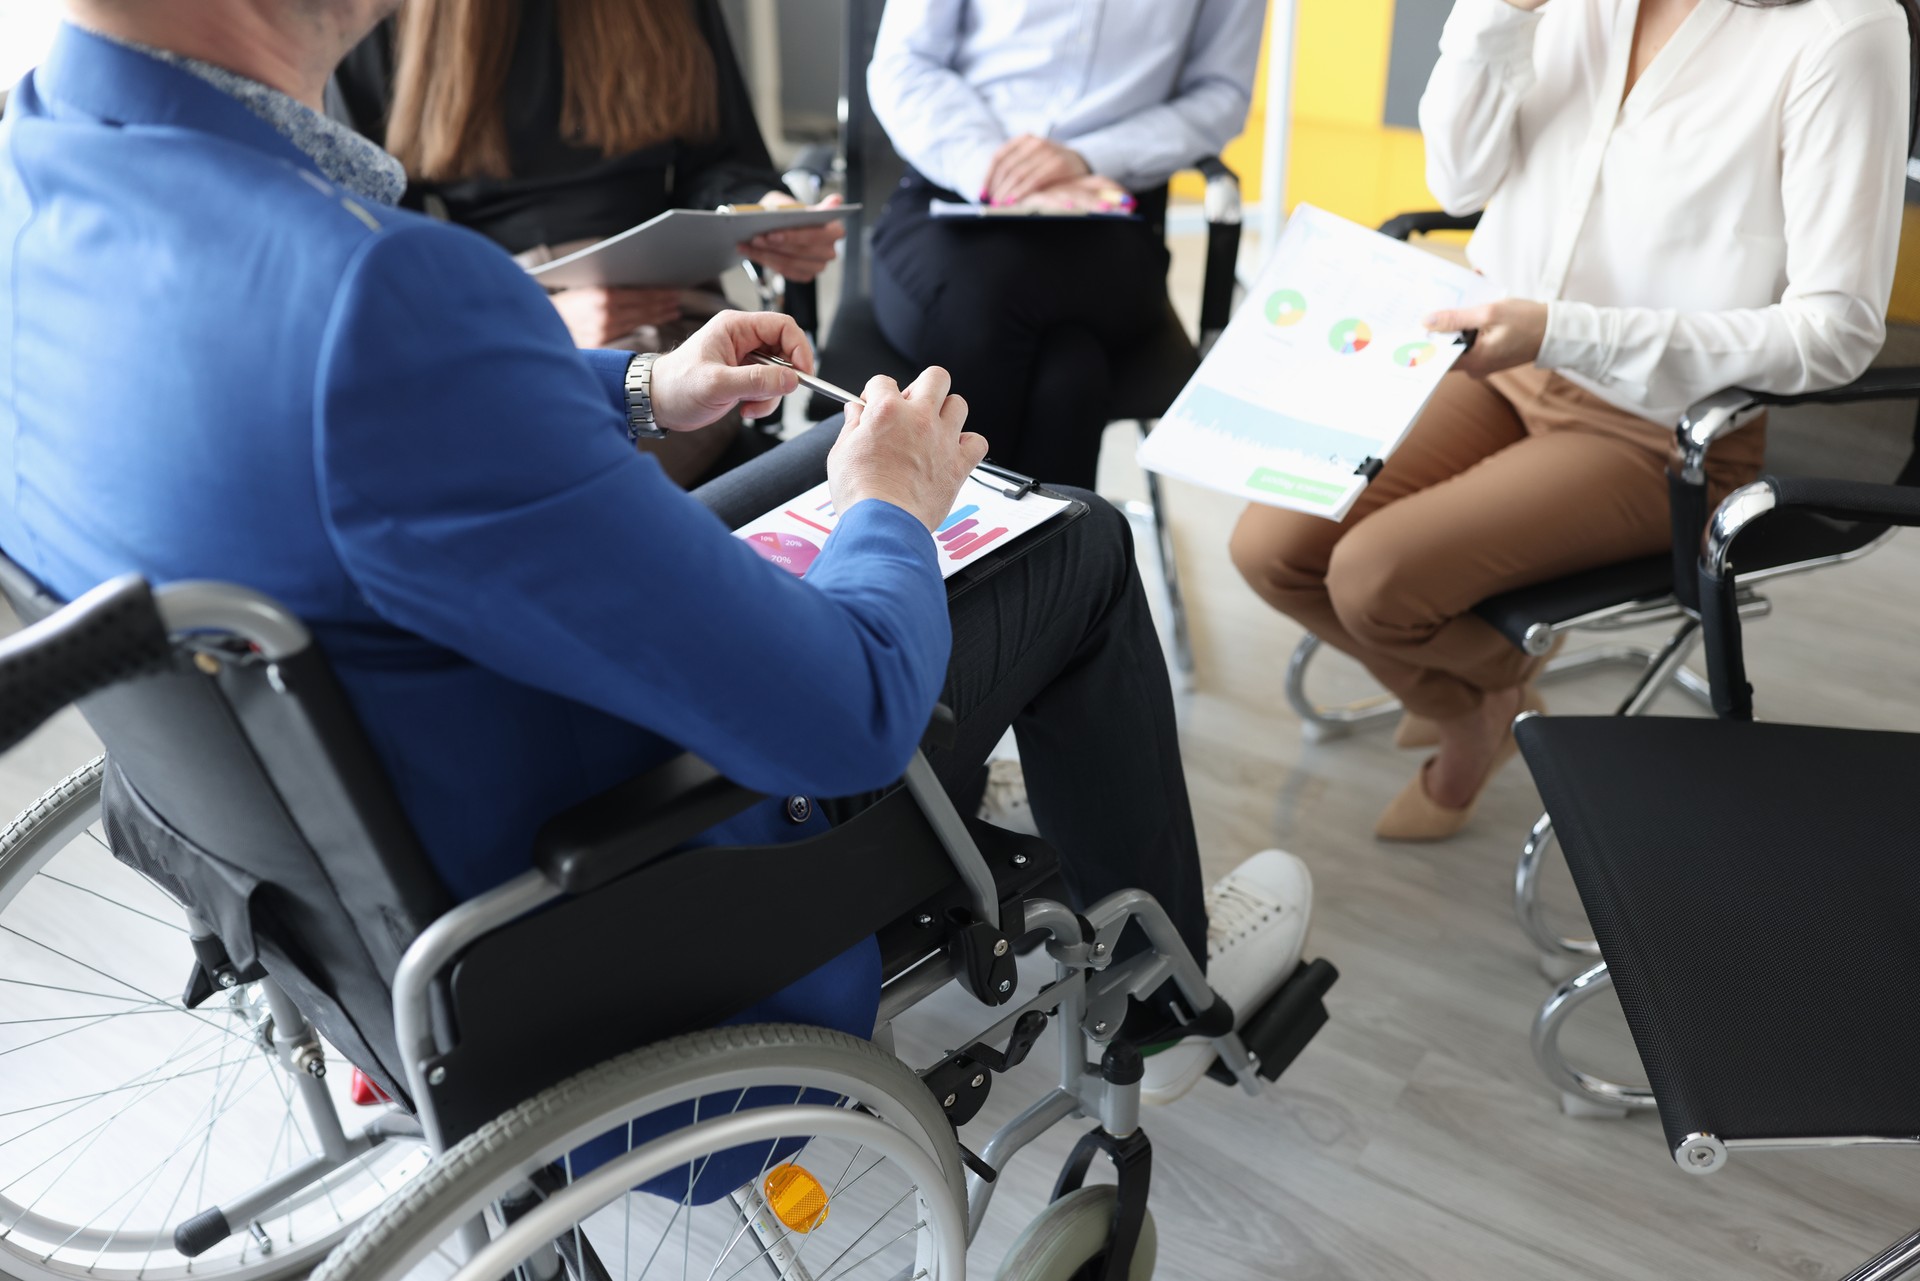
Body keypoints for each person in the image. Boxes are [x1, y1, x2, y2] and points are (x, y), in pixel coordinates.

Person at [1, 1, 1310, 1105]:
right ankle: (1166, 978)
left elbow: (374, 432)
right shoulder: (381, 301)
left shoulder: (47, 162)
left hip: (337, 856)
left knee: (838, 452)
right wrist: (891, 508)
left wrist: (637, 390)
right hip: (610, 914)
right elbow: (846, 715)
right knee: (1066, 534)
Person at [1230, 0, 1912, 841]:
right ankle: (1479, 700)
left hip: (1656, 429)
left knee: (1375, 581)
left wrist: (1564, 330)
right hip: (1498, 366)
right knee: (1268, 550)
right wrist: (1499, 14)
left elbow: (1835, 333)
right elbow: (1456, 180)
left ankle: (1471, 713)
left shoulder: (1845, 31)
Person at [329, 0, 845, 486]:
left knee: (553, 465)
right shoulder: (377, 15)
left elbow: (721, 159)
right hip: (487, 313)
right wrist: (529, 315)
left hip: (668, 310)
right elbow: (378, 248)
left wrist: (767, 211)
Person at [864, 0, 1266, 491]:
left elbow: (1220, 95)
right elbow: (905, 62)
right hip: (953, 188)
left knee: (992, 300)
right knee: (1070, 375)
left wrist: (1086, 157)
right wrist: (992, 166)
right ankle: (1058, 562)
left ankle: (941, 547)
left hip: (1104, 213)